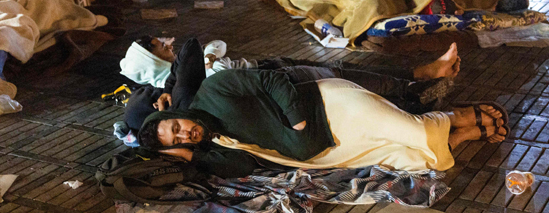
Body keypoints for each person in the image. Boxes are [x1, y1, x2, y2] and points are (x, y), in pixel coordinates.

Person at [137, 68, 508, 178]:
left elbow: (271, 79)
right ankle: (464, 136)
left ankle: (456, 117)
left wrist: (296, 119)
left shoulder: (214, 89)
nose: (185, 132)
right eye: (178, 139)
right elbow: (242, 165)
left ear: (176, 114)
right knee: (410, 160)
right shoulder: (216, 146)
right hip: (330, 148)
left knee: (416, 131)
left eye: (177, 126)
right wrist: (189, 155)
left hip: (332, 107)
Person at [120, 36, 462, 133]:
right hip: (278, 82)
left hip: (273, 70)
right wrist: (172, 87)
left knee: (345, 72)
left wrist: (167, 84)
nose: (167, 42)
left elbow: (190, 49)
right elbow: (191, 47)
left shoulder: (175, 90)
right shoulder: (181, 98)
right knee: (349, 80)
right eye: (157, 45)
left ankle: (423, 76)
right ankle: (419, 91)